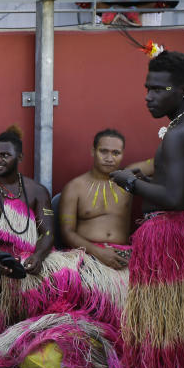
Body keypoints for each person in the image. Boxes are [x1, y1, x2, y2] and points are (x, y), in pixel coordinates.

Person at [108, 49, 184, 368]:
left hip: (173, 240)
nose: (148, 96)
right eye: (146, 88)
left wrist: (126, 181)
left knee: (167, 332)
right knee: (172, 330)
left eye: (157, 90)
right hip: (183, 238)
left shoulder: (180, 133)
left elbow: (174, 197)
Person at [0, 126, 71, 364]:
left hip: (30, 252)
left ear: (20, 158)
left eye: (5, 155)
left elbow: (47, 233)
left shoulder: (37, 191)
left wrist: (38, 256)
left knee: (64, 275)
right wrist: (3, 257)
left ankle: (35, 339)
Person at [59, 129, 132, 326]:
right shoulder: (75, 187)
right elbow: (67, 233)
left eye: (116, 153)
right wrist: (99, 253)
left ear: (123, 154)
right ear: (93, 151)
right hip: (88, 257)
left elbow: (157, 163)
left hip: (122, 256)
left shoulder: (130, 181)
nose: (109, 158)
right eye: (104, 151)